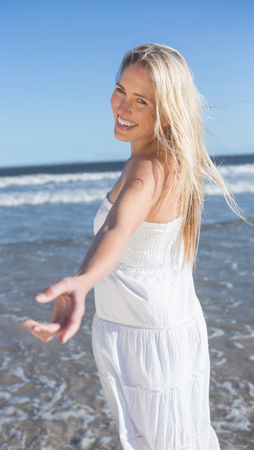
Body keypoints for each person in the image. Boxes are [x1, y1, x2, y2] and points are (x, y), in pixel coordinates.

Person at [23, 43, 238, 449]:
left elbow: (116, 232)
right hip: (170, 325)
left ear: (166, 111)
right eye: (121, 90)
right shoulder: (172, 158)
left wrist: (83, 281)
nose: (123, 107)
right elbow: (115, 230)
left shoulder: (148, 167)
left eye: (141, 101)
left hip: (147, 334)